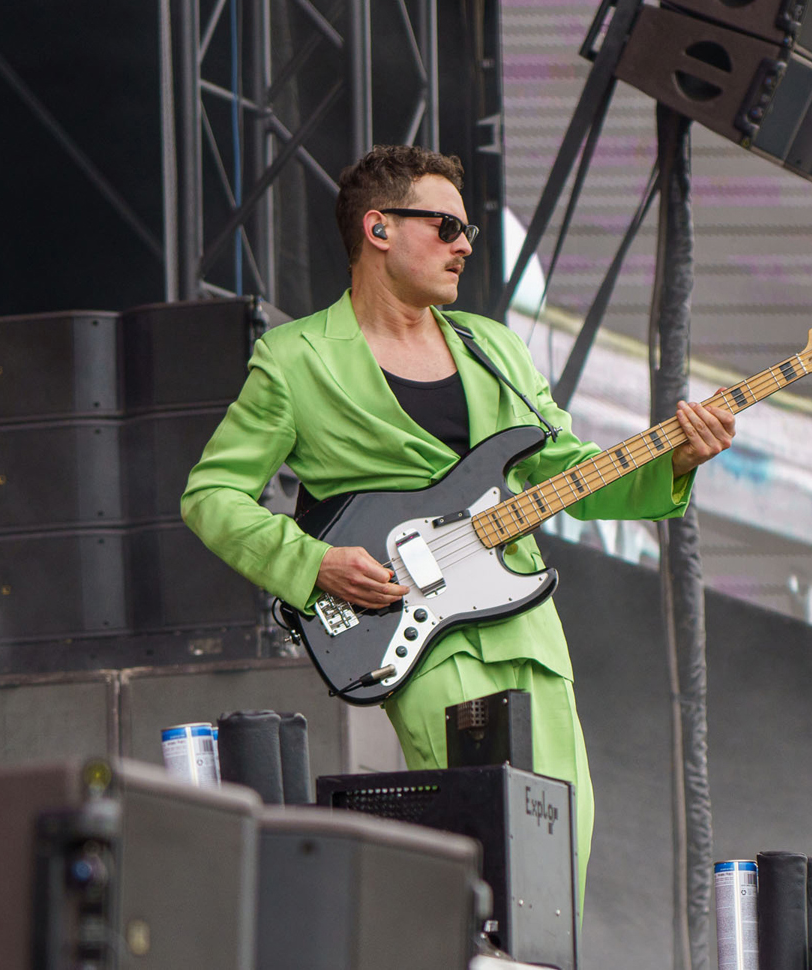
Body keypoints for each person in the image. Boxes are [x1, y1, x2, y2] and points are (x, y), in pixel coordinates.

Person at [181, 144, 735, 909]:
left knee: (560, 846)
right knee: (490, 845)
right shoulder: (296, 357)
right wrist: (312, 564)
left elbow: (568, 472)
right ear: (378, 228)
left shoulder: (492, 345)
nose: (465, 244)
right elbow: (212, 494)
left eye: (466, 229)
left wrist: (675, 460)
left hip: (526, 628)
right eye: (446, 226)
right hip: (418, 628)